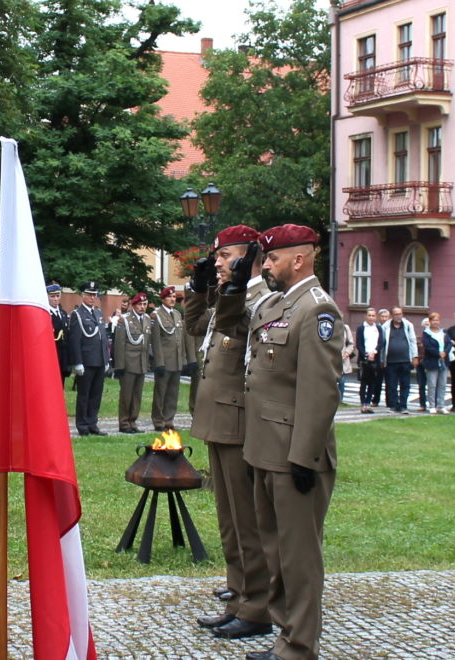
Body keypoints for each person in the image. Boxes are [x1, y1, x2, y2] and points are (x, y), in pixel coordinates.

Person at [240, 224, 342, 660]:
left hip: (294, 455)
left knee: (298, 558)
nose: (265, 266)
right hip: (266, 449)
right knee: (276, 550)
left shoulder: (318, 310)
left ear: (299, 259)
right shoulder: (280, 304)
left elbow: (321, 391)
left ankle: (299, 647)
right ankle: (286, 638)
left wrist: (304, 456)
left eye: (272, 259)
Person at [191, 224, 274, 642]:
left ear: (246, 258)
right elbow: (198, 326)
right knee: (230, 518)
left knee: (247, 519)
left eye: (225, 257)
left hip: (239, 420)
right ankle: (240, 590)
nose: (219, 263)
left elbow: (236, 329)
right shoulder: (236, 294)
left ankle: (256, 604)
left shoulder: (261, 297)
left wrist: (230, 287)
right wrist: (201, 287)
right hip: (219, 418)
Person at [68, 281, 109, 436]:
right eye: (89, 295)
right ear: (83, 296)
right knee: (84, 395)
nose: (92, 298)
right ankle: (82, 424)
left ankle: (93, 423)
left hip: (98, 360)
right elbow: (75, 341)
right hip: (86, 361)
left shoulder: (97, 313)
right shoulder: (77, 315)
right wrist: (78, 362)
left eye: (94, 295)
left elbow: (103, 339)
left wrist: (106, 360)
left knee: (96, 395)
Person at [150, 286, 188, 431]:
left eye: (174, 297)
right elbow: (156, 341)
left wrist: (183, 359)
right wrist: (159, 362)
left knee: (173, 392)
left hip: (176, 360)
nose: (172, 300)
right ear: (163, 299)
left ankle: (169, 419)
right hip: (164, 360)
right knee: (161, 392)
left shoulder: (178, 314)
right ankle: (158, 420)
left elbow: (181, 339)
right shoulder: (156, 315)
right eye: (169, 297)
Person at [113, 292, 151, 433]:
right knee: (126, 395)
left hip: (141, 363)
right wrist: (120, 366)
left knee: (137, 395)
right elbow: (119, 344)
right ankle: (124, 423)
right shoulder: (125, 320)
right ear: (133, 305)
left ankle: (133, 421)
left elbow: (147, 343)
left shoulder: (147, 319)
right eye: (139, 304)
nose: (142, 307)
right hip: (129, 364)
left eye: (144, 304)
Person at [381, 307, 418, 414]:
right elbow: (382, 344)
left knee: (405, 384)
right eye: (396, 314)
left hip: (405, 360)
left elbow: (412, 341)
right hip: (390, 361)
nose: (398, 316)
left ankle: (403, 406)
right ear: (392, 315)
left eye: (400, 314)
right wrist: (382, 359)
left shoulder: (408, 326)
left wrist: (414, 356)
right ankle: (393, 405)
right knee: (391, 384)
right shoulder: (385, 327)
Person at [355, 308, 385, 413]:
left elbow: (381, 342)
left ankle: (369, 403)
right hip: (364, 358)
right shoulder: (361, 328)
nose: (371, 317)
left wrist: (375, 352)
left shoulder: (378, 328)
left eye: (373, 315)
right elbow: (359, 344)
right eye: (369, 315)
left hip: (375, 358)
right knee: (364, 382)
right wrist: (366, 354)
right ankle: (363, 403)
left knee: (372, 382)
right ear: (366, 316)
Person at [421, 312, 449, 414]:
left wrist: (445, 352)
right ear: (430, 321)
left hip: (444, 361)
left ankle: (441, 405)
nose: (435, 322)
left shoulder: (444, 332)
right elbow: (428, 346)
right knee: (432, 384)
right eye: (433, 320)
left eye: (437, 320)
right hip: (432, 361)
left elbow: (449, 343)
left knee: (442, 384)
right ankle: (432, 405)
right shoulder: (426, 333)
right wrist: (438, 353)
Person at [48, 282, 72, 382]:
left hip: (63, 356)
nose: (56, 299)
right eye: (52, 296)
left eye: (57, 296)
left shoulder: (63, 313)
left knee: (61, 382)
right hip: (51, 354)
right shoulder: (45, 314)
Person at [339, 322, 356, 402]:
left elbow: (351, 343)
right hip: (330, 360)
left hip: (343, 359)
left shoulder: (345, 328)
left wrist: (346, 353)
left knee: (342, 381)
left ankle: (340, 400)